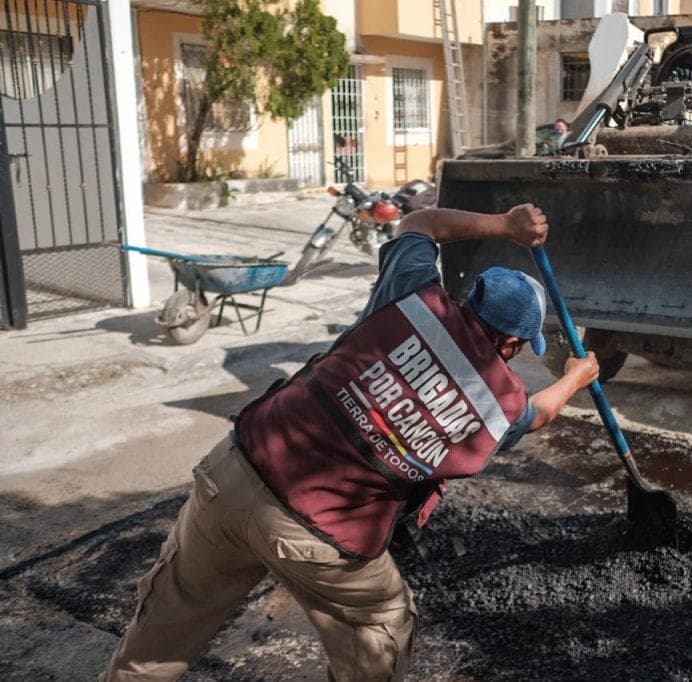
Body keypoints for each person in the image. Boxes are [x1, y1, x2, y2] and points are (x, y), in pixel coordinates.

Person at [103, 204, 599, 681]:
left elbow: (420, 223)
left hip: (236, 468)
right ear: (512, 346)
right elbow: (536, 414)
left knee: (160, 637)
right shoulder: (499, 403)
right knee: (383, 623)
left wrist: (506, 226)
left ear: (472, 302)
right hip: (319, 532)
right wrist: (576, 378)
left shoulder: (413, 294)